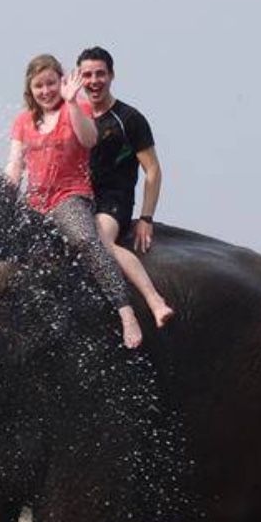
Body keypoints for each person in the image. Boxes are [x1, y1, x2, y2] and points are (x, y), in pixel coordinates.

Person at [5, 53, 149, 348]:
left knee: (86, 240)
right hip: (35, 202)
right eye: (39, 86)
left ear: (61, 82)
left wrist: (70, 103)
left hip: (69, 196)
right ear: (30, 90)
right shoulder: (22, 121)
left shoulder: (78, 107)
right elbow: (15, 165)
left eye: (51, 83)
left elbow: (89, 139)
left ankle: (125, 311)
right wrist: (4, 192)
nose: (46, 91)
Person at [76, 48, 172, 328]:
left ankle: (154, 301)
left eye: (100, 74)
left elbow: (152, 170)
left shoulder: (129, 119)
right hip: (79, 197)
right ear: (78, 78)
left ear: (111, 76)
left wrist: (146, 218)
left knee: (99, 242)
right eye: (87, 75)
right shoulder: (74, 116)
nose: (94, 81)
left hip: (113, 199)